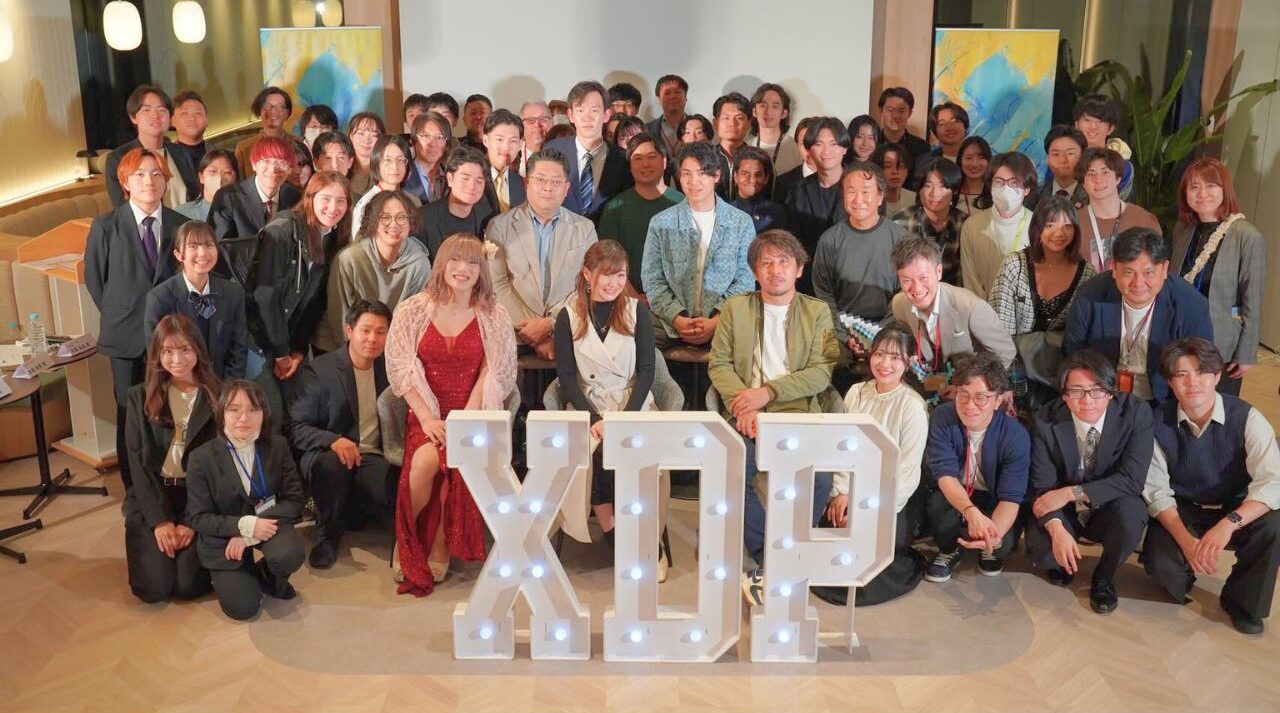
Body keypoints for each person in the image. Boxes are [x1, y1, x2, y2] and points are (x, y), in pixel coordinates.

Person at [706, 229, 840, 605]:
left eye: (783, 262)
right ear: (755, 271)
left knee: (820, 477)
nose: (775, 270)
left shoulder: (818, 312)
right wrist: (745, 406)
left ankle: (792, 551)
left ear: (799, 269)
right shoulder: (735, 309)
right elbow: (718, 364)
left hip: (798, 413)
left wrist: (766, 394)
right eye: (766, 263)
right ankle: (769, 555)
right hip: (747, 415)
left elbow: (822, 372)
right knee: (733, 471)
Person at [385, 234, 518, 595]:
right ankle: (407, 538)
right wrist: (428, 419)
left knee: (459, 459)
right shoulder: (413, 309)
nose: (463, 269)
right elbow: (400, 370)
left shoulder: (494, 314)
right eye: (455, 261)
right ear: (441, 265)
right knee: (425, 461)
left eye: (473, 262)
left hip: (473, 412)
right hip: (426, 413)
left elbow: (494, 372)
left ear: (482, 270)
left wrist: (467, 418)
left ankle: (441, 545)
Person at [1143, 338, 1280, 634]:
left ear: (1217, 376)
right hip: (1184, 509)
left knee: (1274, 525)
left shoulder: (1247, 417)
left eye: (1202, 372)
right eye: (1181, 374)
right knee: (1164, 571)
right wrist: (1186, 542)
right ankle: (1184, 573)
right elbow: (1156, 491)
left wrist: (1228, 524)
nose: (1192, 382)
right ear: (1170, 382)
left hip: (1235, 506)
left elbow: (1272, 482)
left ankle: (1243, 602)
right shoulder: (1155, 423)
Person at [552, 241, 665, 575]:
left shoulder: (636, 311)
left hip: (632, 404)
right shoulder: (569, 315)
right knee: (598, 452)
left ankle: (648, 537)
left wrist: (623, 419)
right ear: (588, 274)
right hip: (589, 405)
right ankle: (614, 533)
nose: (614, 283)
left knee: (633, 452)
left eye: (621, 275)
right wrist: (594, 418)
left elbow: (647, 371)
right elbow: (566, 377)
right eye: (606, 275)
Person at [86, 148, 192, 489]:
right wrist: (122, 314)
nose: (150, 181)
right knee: (128, 413)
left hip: (169, 337)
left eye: (157, 174)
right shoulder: (106, 226)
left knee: (172, 408)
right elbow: (95, 281)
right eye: (140, 175)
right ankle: (134, 489)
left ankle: (172, 482)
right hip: (125, 337)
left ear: (166, 180)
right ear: (125, 182)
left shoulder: (180, 224)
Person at [1025, 349, 1152, 613]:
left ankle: (1105, 576)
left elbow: (1132, 479)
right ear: (1064, 395)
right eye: (1076, 391)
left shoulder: (1135, 413)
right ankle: (1064, 559)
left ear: (1111, 391)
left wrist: (1072, 492)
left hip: (1109, 502)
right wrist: (1057, 529)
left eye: (1097, 390)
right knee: (1043, 551)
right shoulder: (1045, 420)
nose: (1087, 400)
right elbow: (1042, 487)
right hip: (1064, 508)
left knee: (1132, 516)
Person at [813, 327, 929, 607]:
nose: (885, 364)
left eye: (895, 358)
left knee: (869, 556)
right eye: (879, 354)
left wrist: (863, 506)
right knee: (831, 540)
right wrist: (841, 493)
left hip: (888, 496)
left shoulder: (912, 406)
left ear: (909, 362)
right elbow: (840, 448)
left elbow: (908, 471)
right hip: (849, 487)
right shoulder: (856, 393)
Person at [286, 300, 398, 569]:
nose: (372, 339)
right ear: (349, 330)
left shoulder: (391, 370)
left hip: (372, 455)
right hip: (330, 453)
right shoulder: (320, 370)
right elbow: (294, 426)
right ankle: (326, 535)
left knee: (395, 481)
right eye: (365, 330)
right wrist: (332, 440)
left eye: (380, 332)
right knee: (330, 465)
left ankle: (396, 537)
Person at [185, 379, 305, 620]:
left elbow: (294, 500)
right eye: (234, 409)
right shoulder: (201, 458)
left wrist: (249, 534)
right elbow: (198, 518)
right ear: (221, 413)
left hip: (266, 525)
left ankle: (267, 575)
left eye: (253, 409)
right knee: (243, 608)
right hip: (223, 538)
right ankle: (239, 574)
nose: (244, 418)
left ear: (264, 413)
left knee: (289, 554)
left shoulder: (277, 446)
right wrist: (243, 526)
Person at [122, 315, 220, 604]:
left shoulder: (218, 395)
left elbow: (219, 468)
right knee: (154, 589)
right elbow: (137, 465)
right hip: (153, 495)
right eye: (168, 351)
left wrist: (191, 519)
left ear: (198, 350)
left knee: (188, 586)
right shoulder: (139, 396)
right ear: (157, 354)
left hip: (197, 497)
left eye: (185, 349)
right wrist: (160, 521)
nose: (177, 360)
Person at [1064, 227, 1213, 404]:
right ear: (1114, 268)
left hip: (1165, 401)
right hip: (1103, 398)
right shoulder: (1090, 296)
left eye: (1148, 272)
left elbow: (1200, 368)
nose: (1138, 283)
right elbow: (1073, 355)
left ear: (1165, 269)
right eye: (1129, 272)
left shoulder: (1191, 305)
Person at [923, 352, 1029, 583]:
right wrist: (970, 512)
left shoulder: (1015, 435)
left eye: (981, 398)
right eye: (963, 395)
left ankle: (987, 547)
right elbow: (945, 474)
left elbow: (1011, 497)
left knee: (1001, 546)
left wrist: (994, 535)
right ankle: (949, 549)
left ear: (997, 400)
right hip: (956, 491)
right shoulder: (943, 417)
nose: (970, 405)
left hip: (993, 497)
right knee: (937, 506)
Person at [642, 141, 756, 350]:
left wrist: (716, 321)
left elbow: (745, 280)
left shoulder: (740, 222)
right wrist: (677, 318)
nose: (693, 181)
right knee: (634, 338)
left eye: (702, 173)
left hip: (724, 320)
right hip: (669, 322)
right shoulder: (661, 222)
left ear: (716, 176)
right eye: (686, 174)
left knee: (752, 338)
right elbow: (652, 278)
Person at [489, 148, 599, 361]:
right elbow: (497, 284)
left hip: (568, 332)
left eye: (556, 182)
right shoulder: (499, 226)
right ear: (526, 183)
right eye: (540, 180)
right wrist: (534, 331)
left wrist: (552, 324)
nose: (548, 187)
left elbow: (588, 285)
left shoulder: (585, 228)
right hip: (513, 334)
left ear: (566, 188)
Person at [1170, 157, 1264, 397]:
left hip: (1221, 343)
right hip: (1179, 337)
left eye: (1211, 185)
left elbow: (1252, 299)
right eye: (1194, 187)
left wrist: (1247, 353)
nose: (1202, 194)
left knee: (1217, 408)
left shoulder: (1247, 236)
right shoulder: (1183, 230)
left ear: (1225, 189)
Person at [247, 171, 351, 382]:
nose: (333, 208)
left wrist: (298, 350)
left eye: (341, 201)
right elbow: (265, 296)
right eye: (326, 199)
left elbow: (314, 302)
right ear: (310, 198)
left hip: (288, 343)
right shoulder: (283, 230)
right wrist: (281, 353)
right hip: (254, 339)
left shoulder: (331, 238)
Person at [888, 237, 1017, 394]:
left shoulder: (972, 308)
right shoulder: (899, 304)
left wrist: (972, 389)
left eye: (923, 278)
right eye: (907, 280)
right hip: (934, 385)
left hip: (972, 390)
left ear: (939, 272)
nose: (916, 288)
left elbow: (1006, 352)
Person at [812, 162, 907, 356]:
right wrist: (844, 336)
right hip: (841, 334)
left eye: (865, 191)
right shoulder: (830, 239)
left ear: (880, 196)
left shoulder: (900, 238)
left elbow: (905, 292)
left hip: (890, 331)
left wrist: (876, 334)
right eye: (851, 191)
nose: (858, 199)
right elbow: (823, 294)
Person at [322, 189, 431, 347]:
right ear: (373, 221)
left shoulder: (420, 264)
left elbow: (414, 320)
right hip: (344, 343)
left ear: (410, 222)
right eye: (385, 217)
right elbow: (339, 315)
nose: (393, 224)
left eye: (401, 217)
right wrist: (354, 354)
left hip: (393, 346)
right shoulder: (349, 258)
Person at [145, 221, 250, 380]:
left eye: (209, 245)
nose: (202, 253)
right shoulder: (160, 298)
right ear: (178, 254)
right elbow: (156, 354)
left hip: (223, 384)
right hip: (179, 383)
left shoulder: (233, 293)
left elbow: (238, 348)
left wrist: (227, 389)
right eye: (193, 246)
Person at [990, 195, 1096, 337]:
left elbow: (1088, 331)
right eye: (1050, 225)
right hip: (1013, 349)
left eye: (1067, 226)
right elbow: (999, 328)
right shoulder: (1014, 266)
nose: (1059, 233)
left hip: (1067, 351)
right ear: (1037, 229)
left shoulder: (1087, 274)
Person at [596, 132, 682, 293]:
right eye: (638, 158)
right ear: (630, 165)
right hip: (625, 297)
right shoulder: (615, 208)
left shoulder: (682, 204)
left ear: (664, 161)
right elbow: (606, 259)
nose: (645, 164)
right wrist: (632, 296)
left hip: (676, 297)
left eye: (652, 157)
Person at [546, 81, 633, 219]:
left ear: (606, 115)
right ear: (570, 115)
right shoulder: (552, 150)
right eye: (580, 110)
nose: (587, 118)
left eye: (594, 110)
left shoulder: (623, 159)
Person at [959, 151, 1037, 300]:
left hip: (1026, 308)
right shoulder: (972, 225)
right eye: (999, 181)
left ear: (1027, 189)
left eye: (1014, 182)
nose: (1006, 188)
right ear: (990, 186)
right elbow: (970, 279)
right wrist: (984, 311)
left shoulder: (1037, 225)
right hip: (981, 309)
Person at [783, 117, 849, 292]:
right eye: (819, 144)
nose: (826, 151)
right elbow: (792, 242)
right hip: (808, 281)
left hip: (851, 279)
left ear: (844, 148)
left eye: (833, 144)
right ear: (809, 149)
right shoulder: (797, 191)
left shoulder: (860, 188)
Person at [1076, 147, 1161, 272]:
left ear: (1118, 178)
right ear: (1083, 183)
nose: (1098, 180)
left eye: (1105, 172)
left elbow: (1156, 269)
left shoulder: (1144, 220)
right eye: (1091, 174)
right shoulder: (1073, 222)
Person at [105, 85, 188, 209]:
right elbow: (123, 208)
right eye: (146, 110)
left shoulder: (182, 153)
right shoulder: (118, 159)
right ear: (133, 117)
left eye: (162, 110)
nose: (155, 115)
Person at [209, 136, 302, 245]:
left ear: (290, 169)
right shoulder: (228, 197)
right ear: (253, 164)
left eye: (281, 163)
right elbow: (220, 246)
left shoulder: (295, 197)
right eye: (266, 161)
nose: (273, 170)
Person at [890, 156, 966, 286]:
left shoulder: (964, 224)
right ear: (919, 189)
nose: (934, 194)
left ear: (954, 190)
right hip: (910, 293)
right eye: (927, 185)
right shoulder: (899, 223)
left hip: (953, 295)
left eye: (943, 186)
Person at [412, 146, 494, 260]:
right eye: (465, 179)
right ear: (450, 179)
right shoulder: (424, 218)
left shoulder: (486, 216)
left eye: (479, 181)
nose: (472, 186)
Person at [350, 134, 420, 234]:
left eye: (400, 160)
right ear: (376, 162)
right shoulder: (366, 203)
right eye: (388, 160)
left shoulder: (414, 201)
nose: (395, 167)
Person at [233, 86, 306, 180]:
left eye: (280, 107)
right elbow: (239, 184)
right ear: (259, 111)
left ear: (287, 113)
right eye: (267, 106)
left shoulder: (299, 144)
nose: (273, 111)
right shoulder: (244, 148)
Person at [1073, 93, 1134, 200]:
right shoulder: (1064, 161)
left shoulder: (1122, 167)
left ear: (1111, 128)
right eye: (1087, 120)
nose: (1093, 126)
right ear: (1077, 125)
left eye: (1100, 121)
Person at [728, 145, 787, 234]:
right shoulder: (724, 212)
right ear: (736, 177)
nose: (752, 180)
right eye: (745, 174)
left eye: (758, 175)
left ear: (766, 178)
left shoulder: (776, 213)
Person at [1029, 125, 1089, 210]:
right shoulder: (1033, 195)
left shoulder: (1093, 195)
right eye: (1056, 154)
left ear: (1083, 156)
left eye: (1070, 153)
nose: (1063, 160)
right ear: (1048, 158)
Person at [748, 83, 802, 175]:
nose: (768, 111)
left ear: (784, 113)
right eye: (763, 105)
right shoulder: (746, 148)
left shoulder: (797, 149)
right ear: (754, 111)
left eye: (775, 106)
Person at [480, 109, 527, 214]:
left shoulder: (522, 184)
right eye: (500, 139)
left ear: (520, 145)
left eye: (513, 141)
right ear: (486, 141)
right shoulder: (473, 177)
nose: (506, 148)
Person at [403, 111, 454, 204]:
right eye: (426, 136)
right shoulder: (403, 175)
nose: (432, 144)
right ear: (413, 141)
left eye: (439, 137)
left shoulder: (453, 176)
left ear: (447, 144)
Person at [875, 87, 932, 170]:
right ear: (881, 110)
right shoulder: (871, 144)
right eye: (890, 110)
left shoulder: (922, 148)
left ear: (910, 113)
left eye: (901, 111)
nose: (895, 116)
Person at [168, 91, 210, 199]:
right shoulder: (166, 157)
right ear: (172, 121)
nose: (192, 118)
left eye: (198, 113)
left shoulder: (220, 155)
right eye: (184, 114)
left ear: (207, 120)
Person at [175, 149, 237, 222]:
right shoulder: (182, 214)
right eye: (212, 171)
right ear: (201, 177)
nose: (220, 177)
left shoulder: (245, 210)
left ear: (235, 177)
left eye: (227, 172)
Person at [710, 92, 752, 199]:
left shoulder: (759, 158)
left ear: (749, 123)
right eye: (726, 118)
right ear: (715, 123)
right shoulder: (706, 157)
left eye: (739, 118)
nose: (732, 123)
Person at [772, 116, 819, 203]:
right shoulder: (783, 183)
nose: (809, 149)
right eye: (804, 143)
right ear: (797, 146)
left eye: (815, 142)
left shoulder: (842, 178)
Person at [646, 74, 688, 156]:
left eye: (677, 92)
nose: (672, 97)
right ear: (659, 99)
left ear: (686, 97)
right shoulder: (647, 130)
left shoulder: (700, 127)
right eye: (667, 93)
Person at [346, 112, 386, 196]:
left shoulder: (386, 171)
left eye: (374, 135)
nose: (367, 140)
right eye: (361, 133)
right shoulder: (342, 167)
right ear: (351, 136)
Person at [872, 142, 915, 215]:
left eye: (900, 166)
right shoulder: (868, 200)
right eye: (888, 166)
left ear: (907, 171)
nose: (895, 171)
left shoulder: (914, 199)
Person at [955, 136, 991, 216]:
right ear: (960, 161)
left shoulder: (996, 193)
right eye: (969, 158)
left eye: (981, 158)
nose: (975, 164)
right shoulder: (951, 193)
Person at [518, 100, 553, 175]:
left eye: (543, 119)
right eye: (530, 120)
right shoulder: (514, 154)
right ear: (520, 125)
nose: (537, 124)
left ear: (552, 123)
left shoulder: (564, 151)